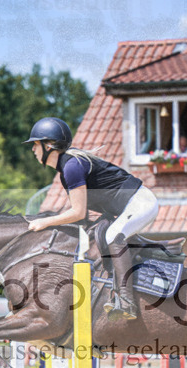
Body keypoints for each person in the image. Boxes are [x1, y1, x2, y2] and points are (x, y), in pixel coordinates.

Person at [25, 116, 159, 320]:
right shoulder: (66, 170)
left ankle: (126, 301)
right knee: (98, 237)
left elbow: (77, 212)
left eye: (35, 145)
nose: (33, 150)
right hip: (129, 207)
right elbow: (82, 218)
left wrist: (45, 222)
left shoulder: (71, 167)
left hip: (141, 203)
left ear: (49, 145)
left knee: (113, 235)